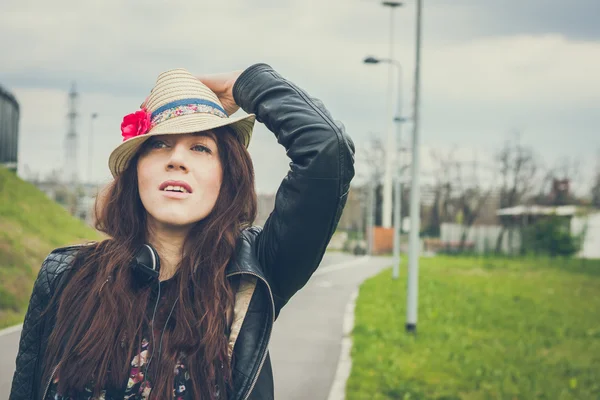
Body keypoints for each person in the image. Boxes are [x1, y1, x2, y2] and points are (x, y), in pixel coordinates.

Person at [9, 63, 355, 400]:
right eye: (159, 144)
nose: (177, 159)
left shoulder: (258, 270)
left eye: (200, 147)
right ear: (136, 171)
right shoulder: (67, 274)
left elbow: (326, 147)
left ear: (226, 176)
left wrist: (245, 84)